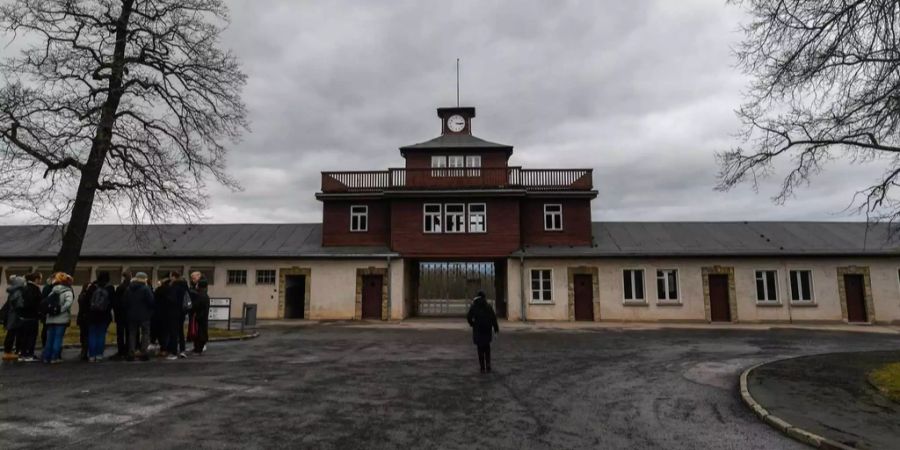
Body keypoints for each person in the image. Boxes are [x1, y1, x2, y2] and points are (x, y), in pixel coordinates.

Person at [41, 272, 75, 364]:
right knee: (58, 339)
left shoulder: (53, 291)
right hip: (61, 319)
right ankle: (54, 357)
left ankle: (46, 357)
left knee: (49, 339)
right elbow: (68, 303)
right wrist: (61, 310)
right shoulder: (68, 291)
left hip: (50, 319)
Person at [466, 290, 499, 374]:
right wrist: (496, 329)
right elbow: (493, 318)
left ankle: (482, 367)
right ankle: (488, 365)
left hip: (478, 330)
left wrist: (472, 324)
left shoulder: (474, 306)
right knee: (487, 348)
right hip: (487, 329)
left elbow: (469, 317)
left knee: (480, 348)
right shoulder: (488, 306)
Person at [125, 272, 155, 362]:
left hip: (131, 315)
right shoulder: (146, 289)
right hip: (144, 315)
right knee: (145, 333)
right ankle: (144, 352)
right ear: (144, 279)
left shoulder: (129, 289)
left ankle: (131, 352)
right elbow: (151, 302)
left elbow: (125, 302)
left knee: (132, 333)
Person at [86, 272, 115, 362]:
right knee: (101, 335)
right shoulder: (110, 288)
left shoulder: (92, 287)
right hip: (104, 315)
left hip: (92, 315)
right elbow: (112, 302)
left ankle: (91, 355)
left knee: (92, 335)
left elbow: (87, 301)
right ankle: (99, 355)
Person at [15, 272, 43, 362]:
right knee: (31, 336)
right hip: (31, 316)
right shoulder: (34, 289)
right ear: (36, 279)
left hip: (23, 316)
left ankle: (22, 353)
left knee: (23, 336)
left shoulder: (24, 288)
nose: (41, 281)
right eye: (40, 279)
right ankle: (28, 354)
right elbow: (33, 303)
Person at [2, 276, 25, 361]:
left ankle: (7, 351)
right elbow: (19, 305)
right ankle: (11, 351)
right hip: (16, 316)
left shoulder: (12, 291)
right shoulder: (18, 292)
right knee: (15, 334)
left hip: (11, 315)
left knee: (10, 333)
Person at [110, 271, 132, 360]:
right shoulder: (131, 287)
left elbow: (116, 302)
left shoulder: (120, 288)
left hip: (120, 314)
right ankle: (128, 349)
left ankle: (121, 350)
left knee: (120, 333)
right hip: (129, 314)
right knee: (129, 332)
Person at [169, 271, 190, 359]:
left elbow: (171, 300)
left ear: (174, 277)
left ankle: (174, 353)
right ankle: (182, 351)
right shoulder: (185, 286)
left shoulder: (174, 286)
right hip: (182, 312)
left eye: (171, 276)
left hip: (174, 312)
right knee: (181, 332)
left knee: (174, 332)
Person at [153, 276, 173, 358]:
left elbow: (154, 300)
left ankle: (163, 349)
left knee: (161, 333)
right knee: (167, 332)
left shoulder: (158, 290)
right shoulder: (171, 291)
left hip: (158, 314)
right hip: (169, 314)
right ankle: (166, 349)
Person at [190, 279, 210, 354]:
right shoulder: (205, 295)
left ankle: (198, 348)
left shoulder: (200, 295)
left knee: (198, 332)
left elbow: (196, 306)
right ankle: (199, 347)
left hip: (199, 316)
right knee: (202, 332)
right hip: (203, 316)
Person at [76, 281, 92, 361]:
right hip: (85, 318)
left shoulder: (82, 295)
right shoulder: (86, 296)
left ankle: (84, 351)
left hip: (83, 317)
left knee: (84, 335)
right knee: (85, 335)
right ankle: (84, 351)